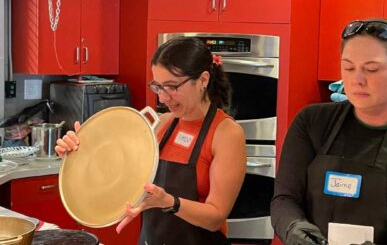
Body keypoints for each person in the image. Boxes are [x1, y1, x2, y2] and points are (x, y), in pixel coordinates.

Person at [55, 37, 247, 244]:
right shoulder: (159, 124)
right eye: (158, 86)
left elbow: (215, 217)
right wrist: (79, 151)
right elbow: (115, 168)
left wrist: (168, 202)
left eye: (172, 87)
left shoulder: (226, 134)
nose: (163, 98)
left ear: (203, 80)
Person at [271, 18, 387, 245]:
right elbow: (285, 199)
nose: (356, 80)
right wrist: (292, 227)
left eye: (371, 69)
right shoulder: (313, 122)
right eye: (348, 67)